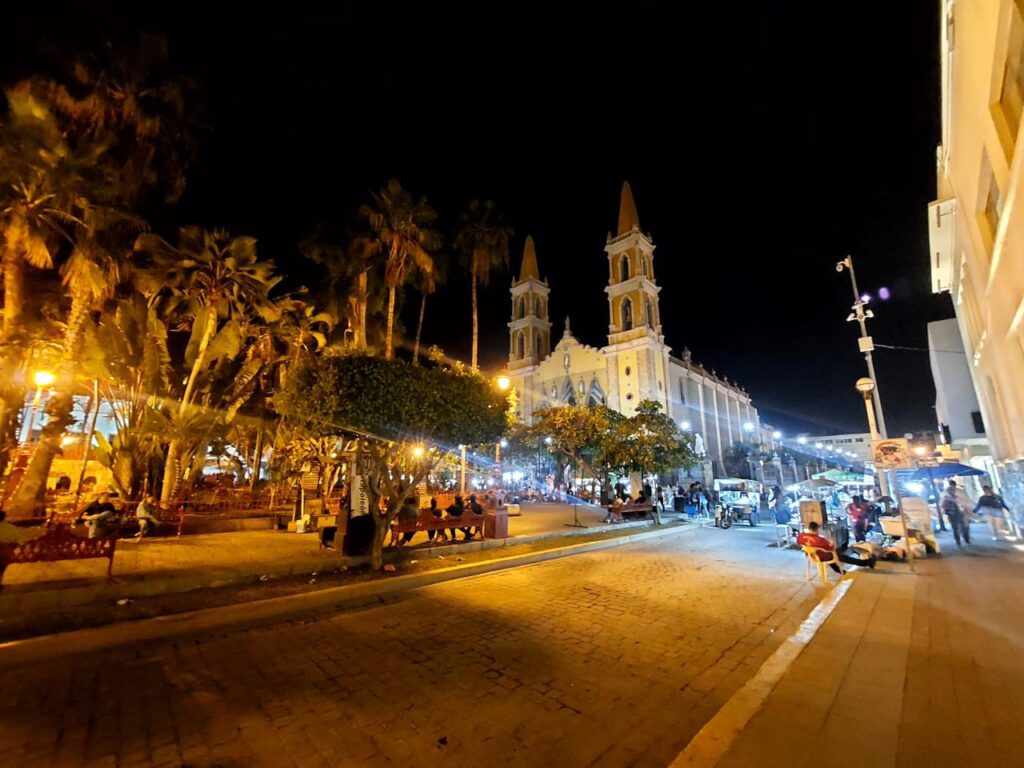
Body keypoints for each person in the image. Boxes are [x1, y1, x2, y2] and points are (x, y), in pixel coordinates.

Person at [797, 520, 876, 572]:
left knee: (836, 555)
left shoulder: (801, 536)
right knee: (840, 556)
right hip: (822, 556)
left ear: (809, 528)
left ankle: (840, 571)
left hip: (810, 556)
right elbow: (832, 548)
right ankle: (866, 563)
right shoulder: (820, 540)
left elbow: (799, 543)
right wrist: (831, 543)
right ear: (817, 529)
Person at [940, 480, 972, 547]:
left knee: (956, 528)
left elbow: (942, 506)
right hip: (957, 513)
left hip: (952, 514)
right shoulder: (957, 495)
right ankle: (965, 539)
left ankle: (959, 541)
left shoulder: (945, 496)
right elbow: (964, 503)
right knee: (962, 526)